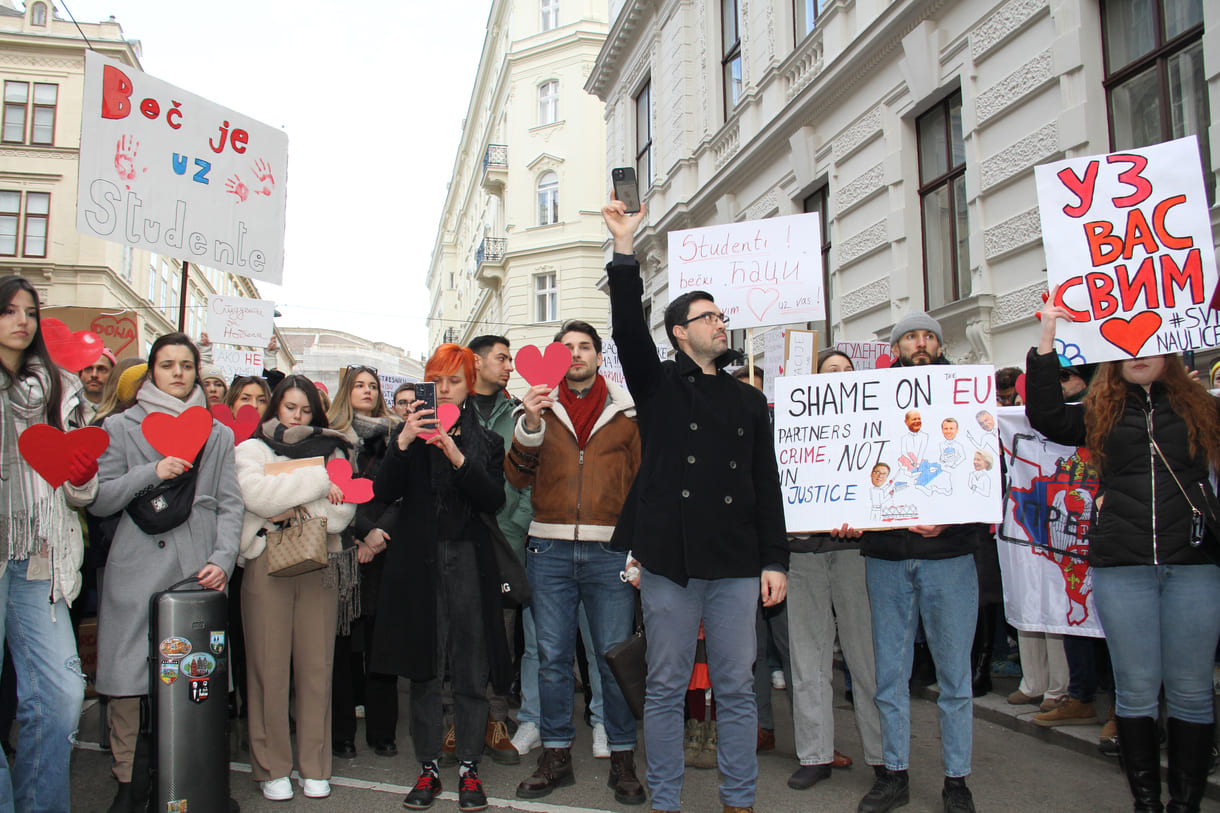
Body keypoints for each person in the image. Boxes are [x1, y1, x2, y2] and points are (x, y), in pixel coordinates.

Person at [603, 196, 787, 813]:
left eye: (721, 316)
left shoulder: (746, 400)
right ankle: (667, 803)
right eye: (707, 316)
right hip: (670, 563)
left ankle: (740, 801)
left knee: (736, 688)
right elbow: (628, 329)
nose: (720, 323)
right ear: (680, 331)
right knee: (664, 688)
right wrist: (624, 248)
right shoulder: (657, 386)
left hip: (736, 565)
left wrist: (775, 560)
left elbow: (766, 483)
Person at [1028, 299, 1220, 813]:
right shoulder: (1098, 409)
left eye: (1150, 343)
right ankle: (1147, 805)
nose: (1138, 352)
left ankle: (1185, 804)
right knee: (1135, 692)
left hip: (1195, 565)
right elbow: (1044, 413)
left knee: (1193, 692)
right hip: (1124, 567)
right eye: (1126, 344)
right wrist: (1048, 336)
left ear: (1172, 352)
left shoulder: (1202, 407)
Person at [91, 333, 243, 813]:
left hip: (195, 568)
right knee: (127, 679)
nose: (177, 372)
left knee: (196, 675)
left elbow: (230, 504)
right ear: (151, 371)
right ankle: (129, 784)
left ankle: (194, 779)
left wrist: (221, 560)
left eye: (185, 364)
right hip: (136, 565)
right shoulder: (120, 427)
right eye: (165, 364)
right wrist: (152, 471)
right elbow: (101, 499)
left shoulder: (217, 433)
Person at [505, 321, 644, 805]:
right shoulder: (541, 407)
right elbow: (517, 478)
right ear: (558, 359)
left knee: (613, 657)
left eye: (585, 346)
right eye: (567, 348)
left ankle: (623, 757)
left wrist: (638, 549)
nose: (577, 354)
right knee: (552, 659)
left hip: (610, 552)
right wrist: (531, 425)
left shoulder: (628, 412)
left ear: (599, 356)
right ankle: (557, 754)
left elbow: (643, 485)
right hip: (549, 549)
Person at [369, 344, 508, 813]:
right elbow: (382, 491)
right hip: (418, 564)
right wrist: (405, 442)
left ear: (470, 383)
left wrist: (456, 455)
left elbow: (493, 499)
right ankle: (427, 769)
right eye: (436, 380)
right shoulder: (405, 436)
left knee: (471, 670)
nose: (444, 388)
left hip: (469, 561)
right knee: (424, 670)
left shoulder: (485, 440)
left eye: (453, 379)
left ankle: (469, 769)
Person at [858, 312, 980, 813]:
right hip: (887, 556)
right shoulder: (867, 401)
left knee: (954, 677)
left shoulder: (966, 396)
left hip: (949, 556)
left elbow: (984, 471)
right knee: (890, 675)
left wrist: (950, 521)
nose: (922, 342)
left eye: (929, 335)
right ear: (897, 346)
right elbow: (854, 465)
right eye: (911, 336)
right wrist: (848, 512)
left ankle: (957, 781)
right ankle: (895, 773)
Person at [235, 375, 356, 801]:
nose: (299, 417)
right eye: (290, 408)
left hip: (319, 562)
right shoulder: (251, 448)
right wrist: (321, 483)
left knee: (317, 669)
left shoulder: (337, 448)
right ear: (275, 410)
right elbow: (256, 496)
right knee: (267, 670)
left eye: (306, 410)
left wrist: (286, 496)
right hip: (266, 562)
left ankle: (315, 766)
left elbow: (340, 518)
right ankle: (272, 768)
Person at [0, 276, 95, 811]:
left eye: (30, 312)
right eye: (9, 311)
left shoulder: (62, 388)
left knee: (61, 698)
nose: (21, 321)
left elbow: (84, 489)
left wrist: (81, 474)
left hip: (41, 556)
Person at [785, 349, 882, 791]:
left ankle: (885, 756)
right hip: (802, 555)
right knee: (808, 659)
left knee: (866, 658)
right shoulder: (789, 426)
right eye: (830, 372)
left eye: (847, 371)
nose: (840, 378)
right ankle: (815, 754)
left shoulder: (875, 425)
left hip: (855, 553)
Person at [326, 365, 401, 760]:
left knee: (380, 646)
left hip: (382, 550)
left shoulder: (394, 438)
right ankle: (341, 734)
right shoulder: (330, 440)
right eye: (359, 385)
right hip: (341, 550)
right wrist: (359, 534)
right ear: (346, 392)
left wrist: (377, 535)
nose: (368, 390)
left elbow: (402, 494)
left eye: (373, 385)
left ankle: (382, 731)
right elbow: (330, 494)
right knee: (340, 647)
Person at [467, 335, 531, 765]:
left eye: (510, 358)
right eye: (502, 358)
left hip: (505, 540)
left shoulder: (519, 412)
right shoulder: (449, 407)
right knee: (457, 634)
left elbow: (532, 471)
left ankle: (495, 721)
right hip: (457, 538)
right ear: (476, 362)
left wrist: (514, 526)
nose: (509, 366)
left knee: (500, 637)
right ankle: (458, 722)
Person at [71, 347, 116, 428]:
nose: (94, 375)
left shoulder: (120, 411)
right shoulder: (66, 408)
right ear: (81, 374)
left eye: (101, 369)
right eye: (88, 369)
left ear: (113, 375)